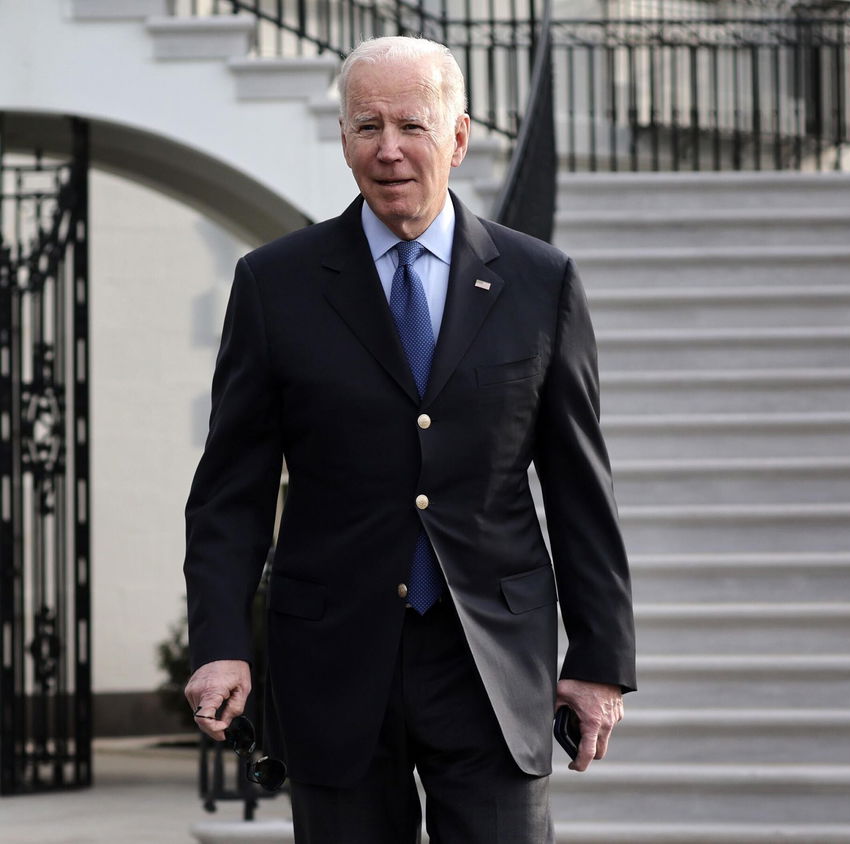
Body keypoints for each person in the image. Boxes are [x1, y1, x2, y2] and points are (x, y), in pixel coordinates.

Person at [181, 35, 636, 843]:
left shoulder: (541, 283)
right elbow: (230, 493)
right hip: (333, 660)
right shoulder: (273, 285)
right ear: (345, 139)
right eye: (366, 127)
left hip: (490, 662)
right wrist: (219, 644)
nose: (388, 150)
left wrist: (599, 658)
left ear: (457, 137)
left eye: (411, 126)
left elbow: (577, 487)